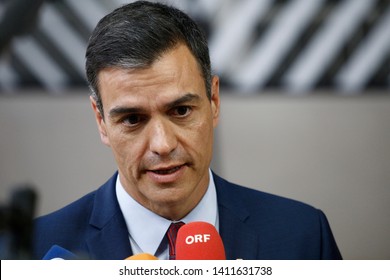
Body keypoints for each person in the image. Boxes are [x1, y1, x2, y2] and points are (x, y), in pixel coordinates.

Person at [33, 1, 342, 260]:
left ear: (214, 100)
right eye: (132, 119)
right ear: (101, 121)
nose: (163, 144)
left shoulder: (302, 237)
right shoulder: (33, 251)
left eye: (181, 111)